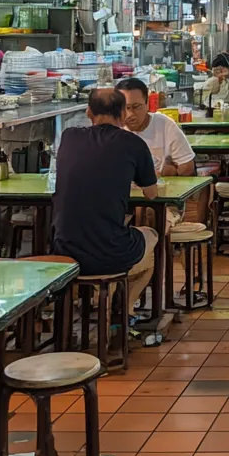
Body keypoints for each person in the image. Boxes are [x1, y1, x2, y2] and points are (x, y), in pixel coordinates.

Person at [51, 88, 159, 309]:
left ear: (89, 112)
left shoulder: (69, 137)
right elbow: (152, 193)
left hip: (63, 250)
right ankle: (123, 314)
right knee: (152, 235)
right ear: (122, 113)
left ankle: (97, 307)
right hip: (111, 253)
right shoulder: (133, 143)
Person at [115, 77, 196, 176]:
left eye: (136, 107)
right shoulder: (114, 129)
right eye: (125, 108)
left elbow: (187, 167)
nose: (130, 114)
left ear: (147, 103)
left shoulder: (165, 125)